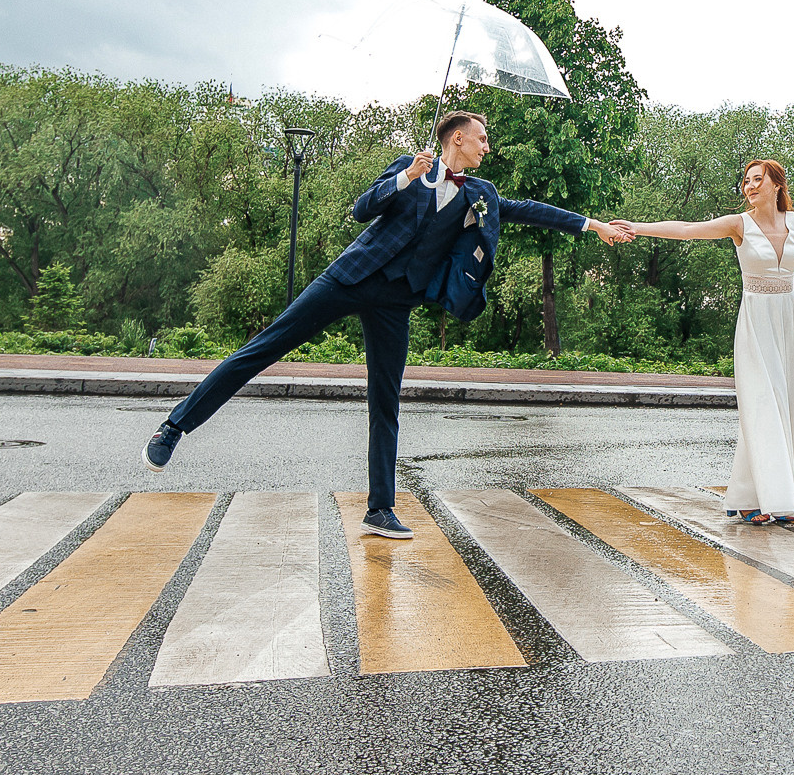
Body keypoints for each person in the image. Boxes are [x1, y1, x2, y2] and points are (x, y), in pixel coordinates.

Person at [142, 111, 631, 538]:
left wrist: (595, 225)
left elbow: (530, 211)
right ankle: (173, 428)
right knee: (263, 349)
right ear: (456, 137)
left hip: (398, 300)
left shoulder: (481, 193)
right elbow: (362, 209)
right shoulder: (409, 167)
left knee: (386, 400)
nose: (488, 146)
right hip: (350, 278)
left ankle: (380, 509)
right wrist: (407, 178)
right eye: (481, 138)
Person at [614, 158, 794, 525]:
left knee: (789, 405)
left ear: (777, 185)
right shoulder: (739, 225)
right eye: (746, 181)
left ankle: (753, 496)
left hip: (789, 321)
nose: (749, 186)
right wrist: (637, 227)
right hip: (756, 323)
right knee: (762, 407)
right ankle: (771, 500)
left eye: (757, 180)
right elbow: (688, 229)